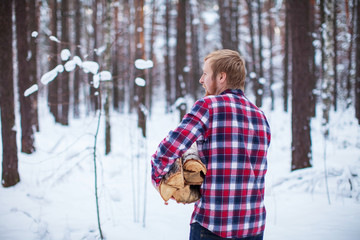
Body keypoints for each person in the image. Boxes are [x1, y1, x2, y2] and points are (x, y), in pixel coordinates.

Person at [151, 49, 271, 240]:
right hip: (253, 226)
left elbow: (171, 147)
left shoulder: (208, 106)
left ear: (221, 77)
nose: (201, 79)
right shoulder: (260, 116)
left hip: (213, 225)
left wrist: (158, 177)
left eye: (206, 73)